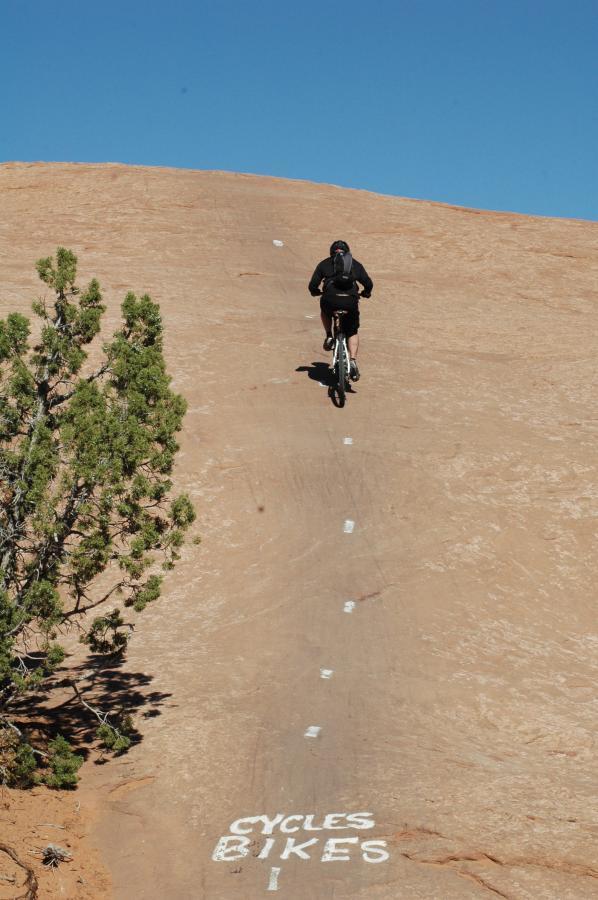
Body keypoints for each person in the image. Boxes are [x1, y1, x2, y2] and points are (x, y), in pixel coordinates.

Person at [308, 240, 373, 381]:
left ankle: (329, 336)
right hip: (350, 301)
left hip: (330, 299)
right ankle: (353, 361)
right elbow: (368, 283)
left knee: (325, 311)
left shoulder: (325, 264)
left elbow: (312, 284)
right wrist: (366, 292)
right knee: (352, 331)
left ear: (332, 252)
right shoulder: (355, 264)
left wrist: (315, 291)